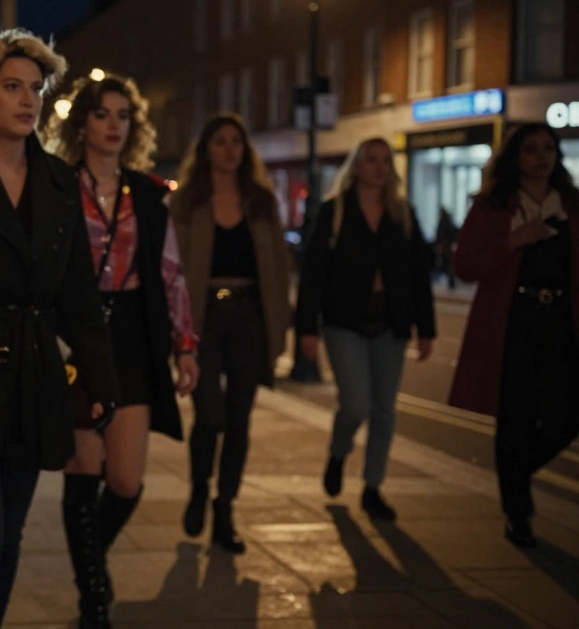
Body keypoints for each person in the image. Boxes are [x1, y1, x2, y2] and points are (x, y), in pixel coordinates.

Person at [42, 74, 199, 628]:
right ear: (82, 122)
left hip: (133, 335)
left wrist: (185, 345)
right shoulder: (58, 184)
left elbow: (171, 273)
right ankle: (93, 602)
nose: (113, 125)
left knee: (126, 480)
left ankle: (91, 565)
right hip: (78, 335)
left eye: (122, 116)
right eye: (102, 114)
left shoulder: (149, 192)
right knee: (83, 473)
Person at [0, 29, 119, 629]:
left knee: (10, 538)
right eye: (11, 86)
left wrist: (100, 379)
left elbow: (79, 295)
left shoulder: (61, 183)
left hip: (35, 375)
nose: (27, 99)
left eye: (35, 88)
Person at [449, 123, 579, 548]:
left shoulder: (572, 205)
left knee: (565, 416)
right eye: (531, 149)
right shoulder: (495, 206)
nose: (541, 156)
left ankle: (516, 471)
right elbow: (465, 265)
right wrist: (514, 240)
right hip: (514, 321)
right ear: (515, 158)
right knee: (516, 417)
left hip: (561, 319)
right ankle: (518, 514)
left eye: (548, 148)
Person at [295, 137, 436, 521]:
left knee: (384, 410)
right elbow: (313, 275)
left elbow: (418, 275)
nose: (379, 167)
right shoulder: (335, 212)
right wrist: (306, 329)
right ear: (356, 166)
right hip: (345, 322)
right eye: (371, 160)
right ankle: (339, 453)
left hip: (391, 324)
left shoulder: (402, 213)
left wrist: (426, 328)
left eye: (385, 161)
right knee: (355, 403)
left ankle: (373, 487)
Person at [169, 113, 290, 555]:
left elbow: (278, 267)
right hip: (203, 321)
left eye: (236, 141)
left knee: (239, 420)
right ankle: (200, 486)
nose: (229, 149)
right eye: (219, 141)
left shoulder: (261, 201)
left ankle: (225, 508)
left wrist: (279, 329)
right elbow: (174, 269)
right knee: (211, 417)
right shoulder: (188, 202)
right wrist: (177, 332)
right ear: (206, 149)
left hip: (248, 318)